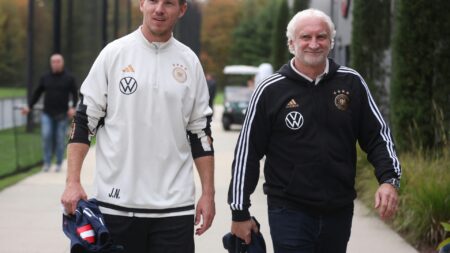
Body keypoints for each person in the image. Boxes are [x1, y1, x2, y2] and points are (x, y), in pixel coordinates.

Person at [228, 8, 401, 253]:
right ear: (291, 43)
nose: (313, 44)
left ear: (331, 42)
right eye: (305, 37)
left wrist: (388, 180)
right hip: (288, 209)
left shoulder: (351, 83)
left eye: (321, 37)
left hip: (338, 209)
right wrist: (239, 210)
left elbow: (378, 137)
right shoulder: (270, 90)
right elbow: (248, 152)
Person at [61, 0, 215, 252]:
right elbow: (83, 120)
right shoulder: (114, 54)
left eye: (169, 3)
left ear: (182, 10)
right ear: (141, 4)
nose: (159, 9)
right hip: (115, 206)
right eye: (153, 0)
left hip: (174, 209)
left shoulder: (190, 62)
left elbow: (201, 133)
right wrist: (72, 182)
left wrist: (208, 195)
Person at [22, 53, 78, 172]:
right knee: (47, 136)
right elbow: (37, 93)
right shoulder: (45, 77)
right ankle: (47, 162)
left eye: (58, 61)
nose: (56, 64)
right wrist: (29, 106)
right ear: (51, 63)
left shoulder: (69, 78)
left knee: (59, 139)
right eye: (53, 61)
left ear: (62, 63)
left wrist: (73, 107)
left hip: (62, 114)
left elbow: (75, 94)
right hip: (47, 113)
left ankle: (58, 162)